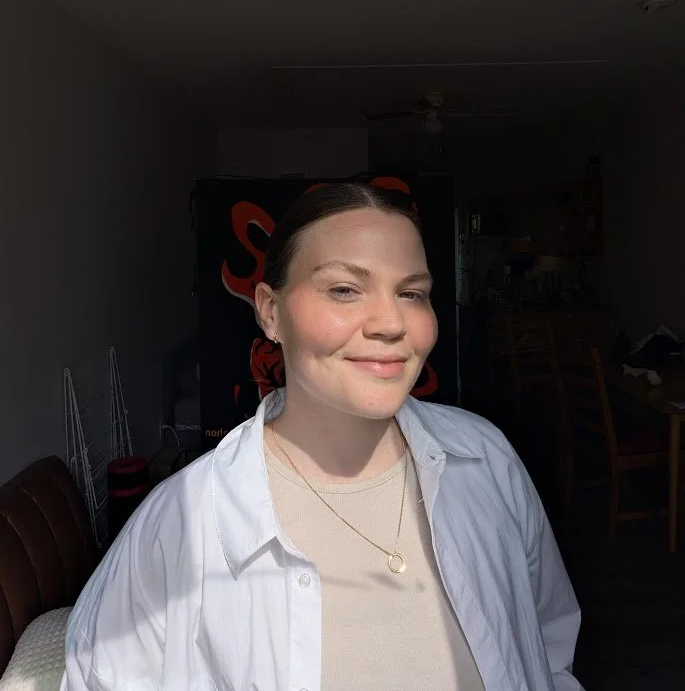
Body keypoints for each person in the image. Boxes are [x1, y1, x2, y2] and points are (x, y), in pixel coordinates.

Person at [62, 183, 585, 691]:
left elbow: (547, 642)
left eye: (412, 293)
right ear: (270, 311)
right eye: (344, 289)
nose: (390, 322)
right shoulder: (180, 525)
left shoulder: (485, 457)